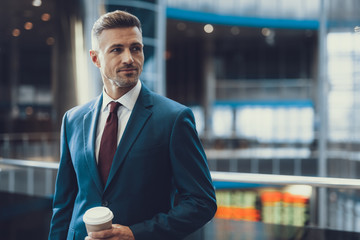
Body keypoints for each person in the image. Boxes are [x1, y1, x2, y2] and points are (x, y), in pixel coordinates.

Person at [48, 10, 217, 240]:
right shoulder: (73, 120)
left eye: (135, 48)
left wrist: (136, 233)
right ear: (95, 58)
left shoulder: (174, 118)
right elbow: (64, 204)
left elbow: (202, 202)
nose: (129, 58)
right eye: (117, 49)